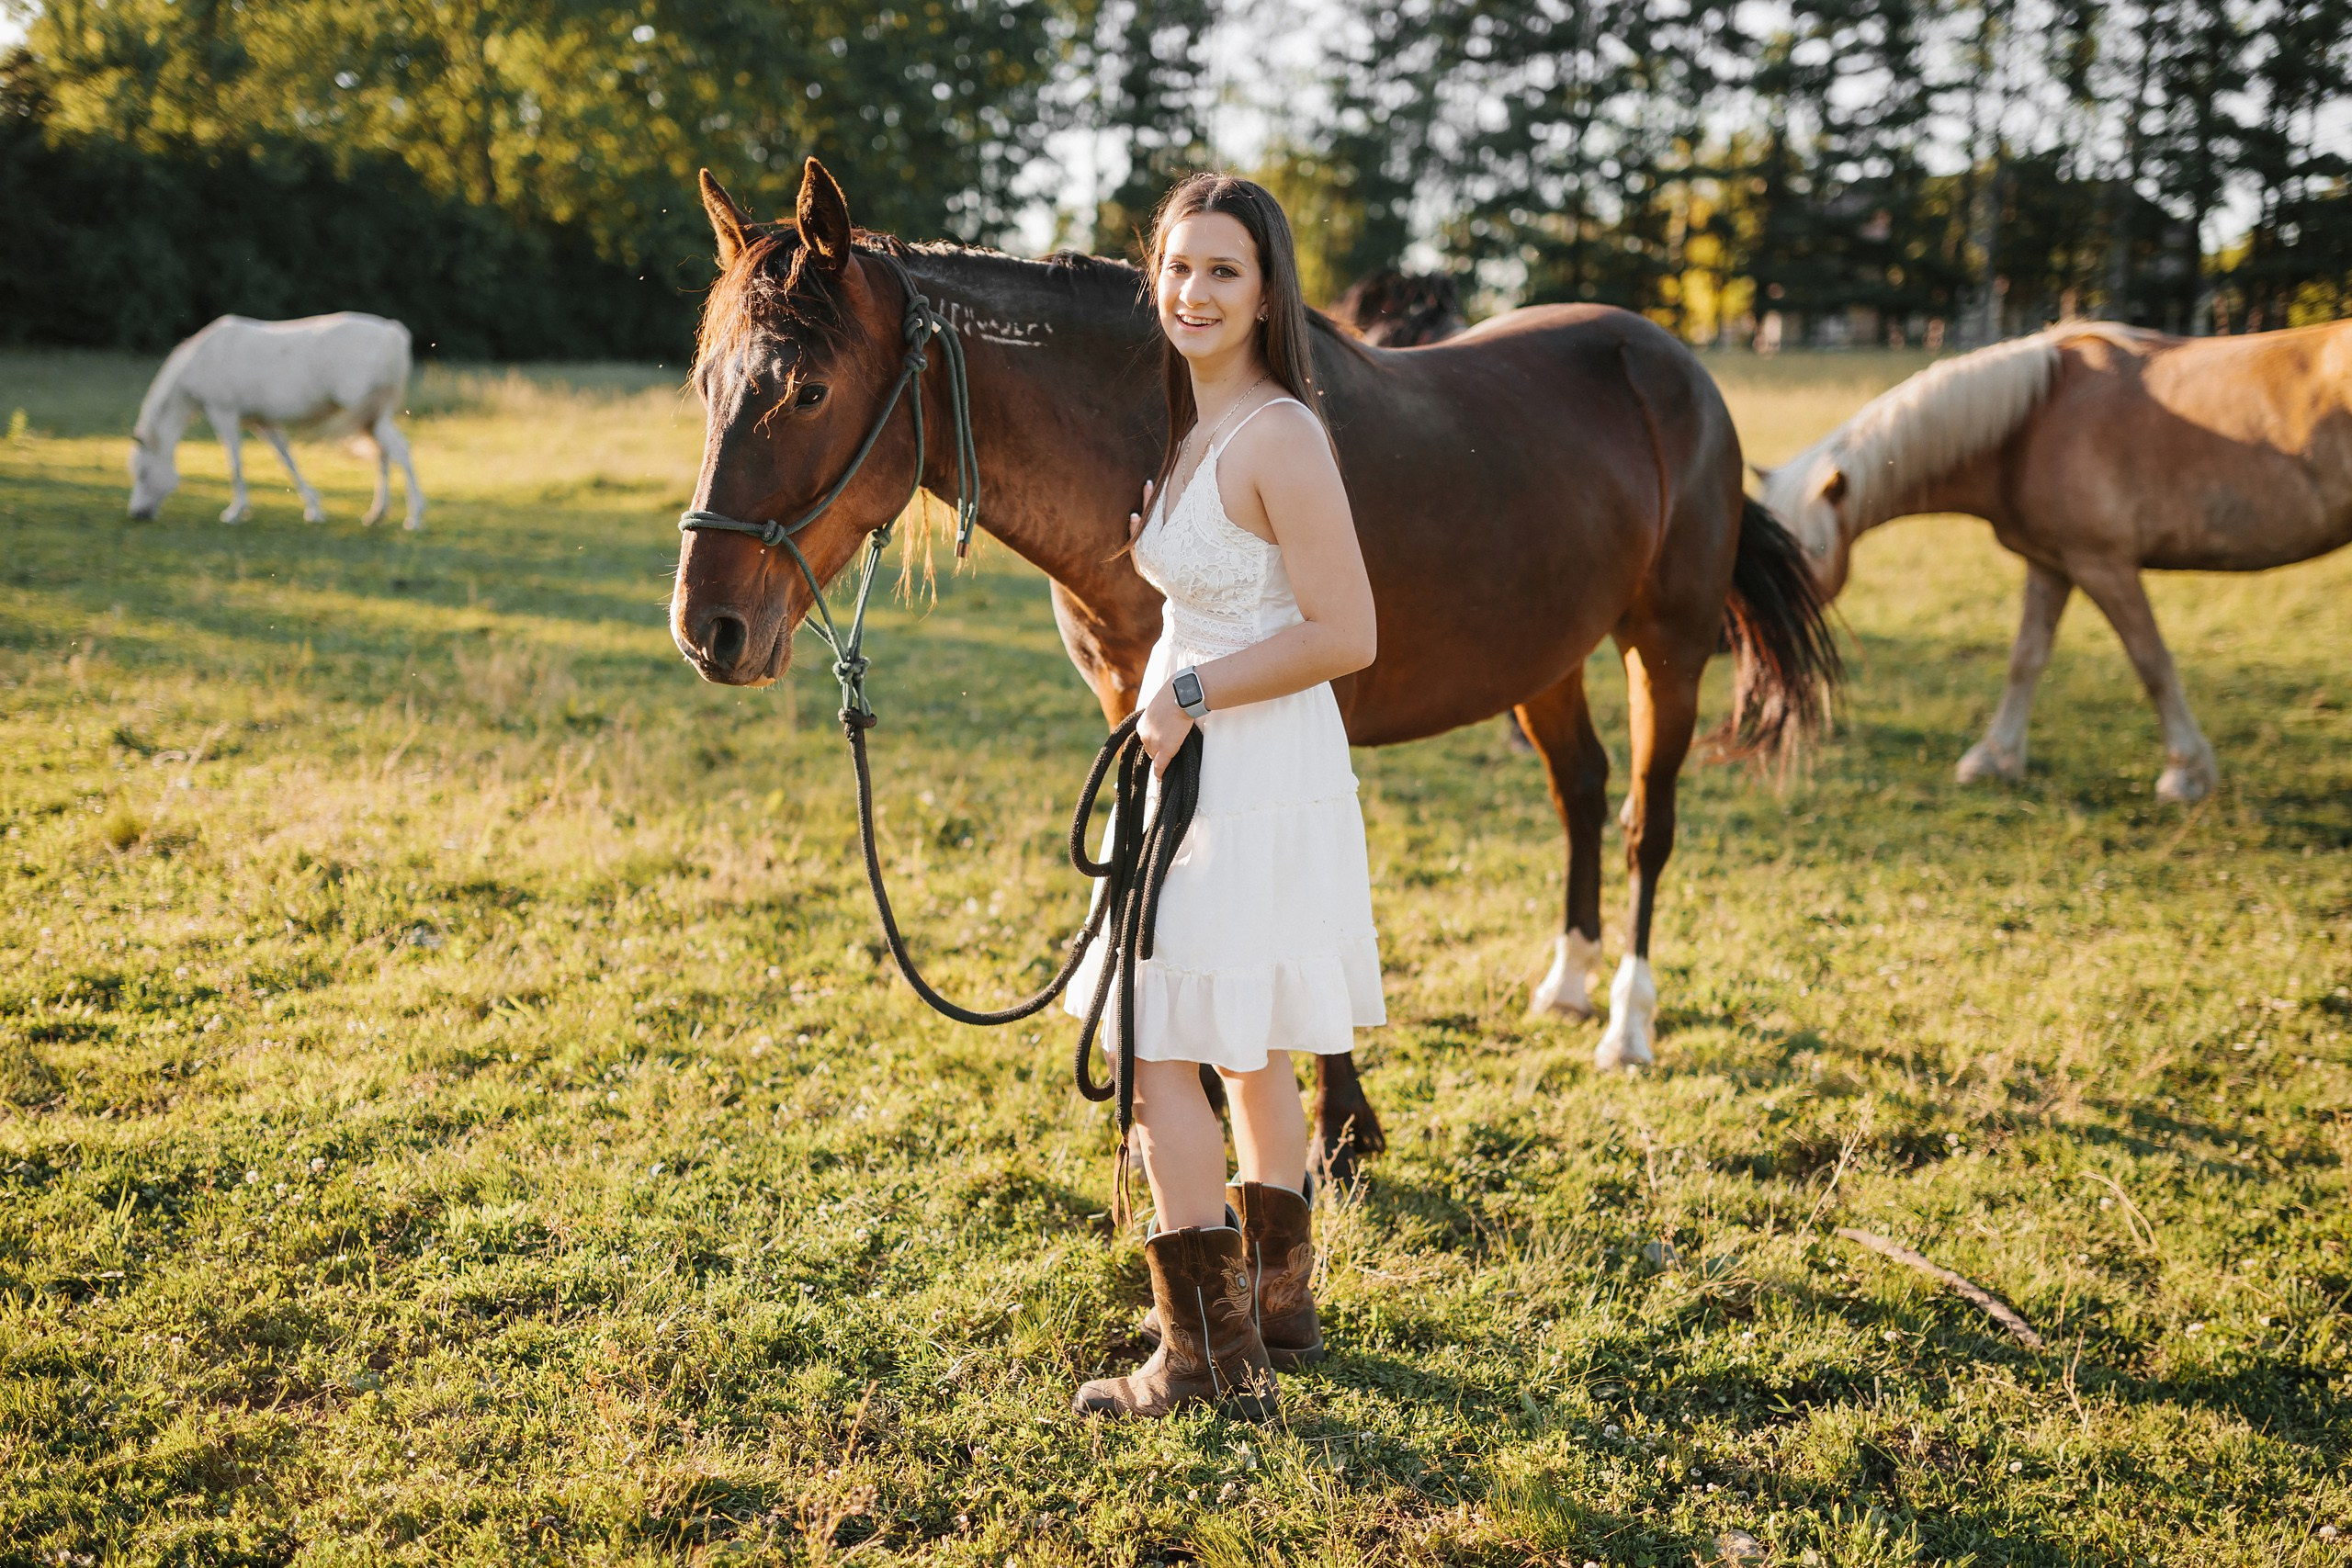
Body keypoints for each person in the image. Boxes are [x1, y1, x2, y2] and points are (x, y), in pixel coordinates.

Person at [1068, 174, 1385, 1421]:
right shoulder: (1203, 427)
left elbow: (1347, 630)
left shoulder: (1282, 434)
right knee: (1246, 1050)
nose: (1192, 293)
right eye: (1178, 268)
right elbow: (1229, 581)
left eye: (1223, 273)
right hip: (1205, 757)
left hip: (1245, 768)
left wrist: (1190, 690)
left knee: (1163, 1055)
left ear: (1267, 295)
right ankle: (1276, 1299)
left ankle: (1201, 1359)